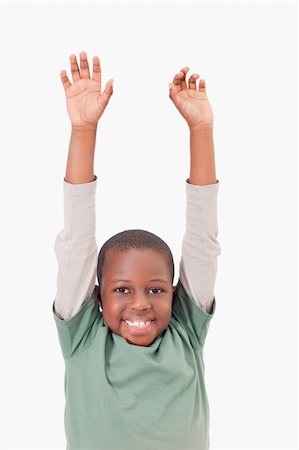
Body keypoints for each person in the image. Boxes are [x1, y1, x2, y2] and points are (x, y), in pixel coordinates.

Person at [52, 51, 221, 450]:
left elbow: (202, 239)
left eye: (157, 289)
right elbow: (76, 242)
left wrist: (201, 128)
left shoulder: (186, 332)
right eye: (122, 289)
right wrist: (83, 130)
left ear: (177, 294)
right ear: (97, 295)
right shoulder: (83, 339)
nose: (141, 304)